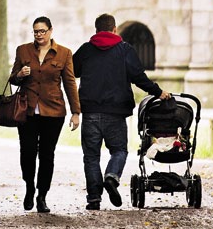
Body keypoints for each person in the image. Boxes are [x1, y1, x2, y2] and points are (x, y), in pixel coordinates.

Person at [73, 13, 171, 211]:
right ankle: (111, 176)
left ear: (96, 30)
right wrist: (158, 92)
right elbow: (138, 77)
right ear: (114, 29)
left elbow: (73, 71)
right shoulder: (124, 49)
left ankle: (93, 199)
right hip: (116, 113)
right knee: (119, 151)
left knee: (91, 156)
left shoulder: (86, 49)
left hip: (91, 112)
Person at [9, 15, 81, 214]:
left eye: (42, 31)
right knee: (28, 152)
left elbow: (69, 83)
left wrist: (76, 112)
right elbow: (12, 79)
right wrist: (19, 75)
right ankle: (29, 187)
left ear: (50, 31)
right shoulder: (23, 50)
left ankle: (42, 195)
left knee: (47, 155)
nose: (39, 35)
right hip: (27, 111)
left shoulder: (64, 53)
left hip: (53, 111)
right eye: (35, 31)